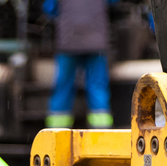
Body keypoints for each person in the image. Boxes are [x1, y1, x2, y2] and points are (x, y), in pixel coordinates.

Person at [43, 0, 114, 129]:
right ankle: (102, 133)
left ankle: (56, 133)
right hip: (96, 44)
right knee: (97, 86)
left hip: (69, 42)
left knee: (64, 86)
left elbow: (49, 9)